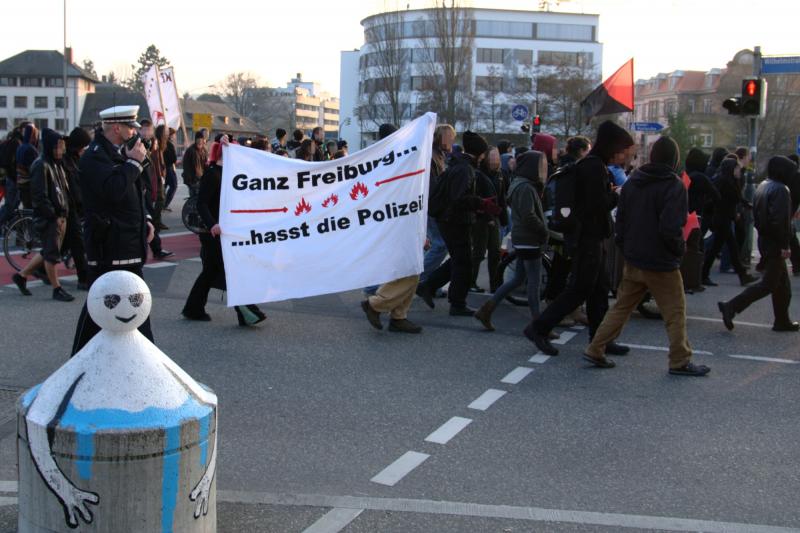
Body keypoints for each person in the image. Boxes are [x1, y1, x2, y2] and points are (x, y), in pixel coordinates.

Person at [582, 136, 710, 376]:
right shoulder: (674, 185)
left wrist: (625, 245)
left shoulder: (633, 181)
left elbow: (621, 219)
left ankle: (595, 347)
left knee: (621, 307)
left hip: (634, 257)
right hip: (661, 261)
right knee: (674, 311)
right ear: (674, 159)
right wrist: (678, 251)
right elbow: (671, 227)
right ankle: (680, 360)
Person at [524, 120, 634, 356]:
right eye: (622, 151)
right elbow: (597, 205)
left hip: (590, 236)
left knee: (598, 290)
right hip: (588, 237)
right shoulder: (594, 167)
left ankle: (600, 339)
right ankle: (539, 327)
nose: (624, 156)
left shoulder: (593, 165)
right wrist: (618, 195)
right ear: (612, 147)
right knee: (580, 289)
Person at [70, 105, 156, 355]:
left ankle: (147, 358)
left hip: (127, 240)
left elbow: (136, 193)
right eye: (130, 127)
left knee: (136, 304)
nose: (135, 132)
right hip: (109, 244)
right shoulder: (95, 157)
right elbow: (113, 192)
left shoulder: (121, 152)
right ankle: (76, 360)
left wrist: (147, 219)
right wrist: (132, 163)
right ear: (117, 128)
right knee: (99, 305)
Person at [182, 139, 267, 326]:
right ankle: (246, 311)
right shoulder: (213, 174)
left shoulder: (228, 173)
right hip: (212, 232)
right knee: (228, 270)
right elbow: (201, 203)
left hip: (222, 231)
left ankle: (194, 308)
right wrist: (213, 224)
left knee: (212, 271)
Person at [417, 131, 499, 316]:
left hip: (450, 220)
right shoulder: (465, 169)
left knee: (459, 260)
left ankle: (428, 287)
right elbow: (458, 198)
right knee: (464, 263)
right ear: (480, 154)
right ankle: (457, 303)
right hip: (455, 221)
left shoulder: (458, 164)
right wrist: (480, 203)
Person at [718, 156, 798, 332]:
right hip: (776, 242)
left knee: (782, 285)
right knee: (769, 284)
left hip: (765, 239)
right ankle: (731, 306)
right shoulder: (782, 189)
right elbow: (780, 221)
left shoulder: (764, 185)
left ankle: (782, 320)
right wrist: (785, 245)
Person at [474, 150, 548, 331]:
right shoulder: (525, 187)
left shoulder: (522, 184)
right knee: (533, 283)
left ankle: (486, 309)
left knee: (518, 279)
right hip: (529, 238)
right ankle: (538, 324)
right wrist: (543, 230)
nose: (543, 170)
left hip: (524, 237)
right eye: (540, 166)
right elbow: (528, 215)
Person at [11, 129, 74, 302]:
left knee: (48, 251)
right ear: (50, 147)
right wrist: (54, 215)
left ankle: (22, 275)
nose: (61, 149)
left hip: (58, 214)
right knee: (51, 253)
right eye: (58, 146)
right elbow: (39, 196)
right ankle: (57, 288)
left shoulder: (55, 163)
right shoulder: (42, 164)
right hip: (50, 216)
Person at [701, 158, 757, 287]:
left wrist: (746, 204)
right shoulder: (723, 181)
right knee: (730, 247)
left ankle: (703, 274)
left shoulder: (730, 181)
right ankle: (742, 275)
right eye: (737, 168)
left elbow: (736, 198)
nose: (739, 170)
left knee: (717, 248)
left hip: (724, 218)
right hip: (722, 219)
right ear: (731, 169)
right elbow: (719, 199)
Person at [420, 124, 456, 283]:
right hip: (433, 207)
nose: (452, 141)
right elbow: (433, 186)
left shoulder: (438, 155)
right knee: (440, 245)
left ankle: (427, 281)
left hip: (434, 206)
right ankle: (419, 280)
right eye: (449, 137)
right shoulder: (432, 156)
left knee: (436, 245)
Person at [470, 146, 506, 293]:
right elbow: (478, 198)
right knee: (479, 252)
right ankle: (471, 282)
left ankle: (495, 284)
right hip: (481, 219)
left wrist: (503, 218)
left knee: (495, 253)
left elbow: (502, 197)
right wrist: (487, 217)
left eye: (497, 157)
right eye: (492, 157)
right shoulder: (479, 175)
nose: (495, 160)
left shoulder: (500, 175)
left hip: (494, 217)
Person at [61, 127, 92, 290]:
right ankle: (83, 278)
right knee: (77, 241)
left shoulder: (71, 156)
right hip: (67, 205)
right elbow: (73, 185)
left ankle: (36, 270)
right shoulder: (66, 158)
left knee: (65, 241)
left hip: (71, 205)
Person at [15, 123, 40, 209]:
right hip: (28, 184)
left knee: (26, 207)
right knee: (31, 209)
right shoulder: (31, 149)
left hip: (20, 182)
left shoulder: (20, 147)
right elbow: (34, 168)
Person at [182, 131, 208, 197]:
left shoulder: (204, 151)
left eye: (201, 140)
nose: (199, 142)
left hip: (201, 178)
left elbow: (206, 164)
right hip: (192, 179)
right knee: (193, 197)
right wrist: (189, 180)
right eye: (198, 140)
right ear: (195, 140)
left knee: (199, 197)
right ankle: (190, 207)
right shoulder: (190, 150)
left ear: (203, 140)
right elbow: (186, 166)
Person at [163, 128, 178, 211]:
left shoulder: (164, 143)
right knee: (173, 186)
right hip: (169, 168)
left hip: (165, 167)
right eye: (174, 134)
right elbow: (173, 158)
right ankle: (165, 204)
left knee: (164, 186)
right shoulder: (169, 144)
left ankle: (162, 204)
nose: (175, 136)